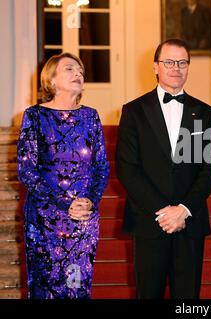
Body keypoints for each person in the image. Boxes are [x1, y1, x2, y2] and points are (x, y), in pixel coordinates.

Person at [116, 38, 211, 299]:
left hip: (190, 220)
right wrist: (165, 214)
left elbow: (209, 169)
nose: (176, 68)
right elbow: (128, 169)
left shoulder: (204, 112)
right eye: (169, 62)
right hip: (150, 221)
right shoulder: (133, 111)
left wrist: (183, 210)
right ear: (155, 66)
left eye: (183, 62)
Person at [17, 52, 110, 298]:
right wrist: (64, 202)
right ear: (52, 78)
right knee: (46, 287)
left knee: (76, 286)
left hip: (83, 219)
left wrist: (90, 201)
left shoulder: (91, 116)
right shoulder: (35, 116)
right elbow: (27, 170)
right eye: (70, 69)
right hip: (45, 219)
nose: (78, 73)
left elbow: (101, 167)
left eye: (80, 70)